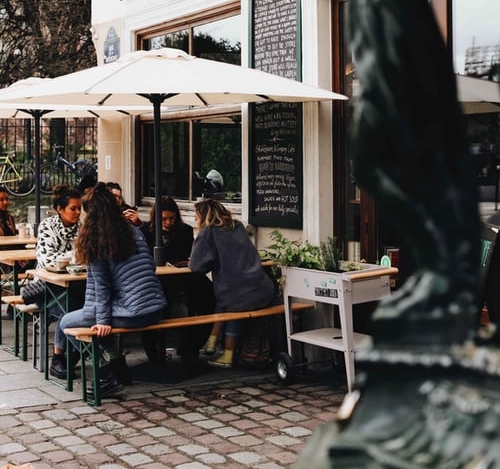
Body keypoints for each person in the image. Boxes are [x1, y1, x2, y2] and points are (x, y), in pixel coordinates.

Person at [60, 182, 167, 398]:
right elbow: (148, 268)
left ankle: (105, 374)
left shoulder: (96, 239)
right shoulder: (133, 231)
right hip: (155, 309)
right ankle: (118, 368)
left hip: (133, 313)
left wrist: (103, 322)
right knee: (96, 320)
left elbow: (102, 288)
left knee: (66, 323)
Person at [189, 199, 275, 368]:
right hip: (263, 291)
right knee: (230, 298)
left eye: (196, 216)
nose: (194, 220)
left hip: (236, 298)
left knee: (229, 302)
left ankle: (224, 351)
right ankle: (213, 343)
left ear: (203, 216)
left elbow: (196, 266)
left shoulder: (208, 233)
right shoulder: (237, 226)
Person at [140, 196, 215, 364]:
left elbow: (190, 256)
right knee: (159, 303)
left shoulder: (184, 231)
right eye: (164, 219)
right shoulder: (146, 231)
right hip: (156, 279)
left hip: (180, 276)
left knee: (208, 295)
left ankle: (191, 345)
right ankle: (153, 348)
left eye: (171, 218)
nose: (168, 222)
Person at [36, 185, 85, 380]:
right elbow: (47, 259)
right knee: (70, 309)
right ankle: (58, 358)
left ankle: (75, 354)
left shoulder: (82, 227)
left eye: (80, 208)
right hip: (46, 287)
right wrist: (76, 256)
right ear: (60, 209)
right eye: (73, 208)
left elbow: (88, 255)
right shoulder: (47, 226)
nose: (78, 212)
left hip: (76, 284)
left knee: (87, 303)